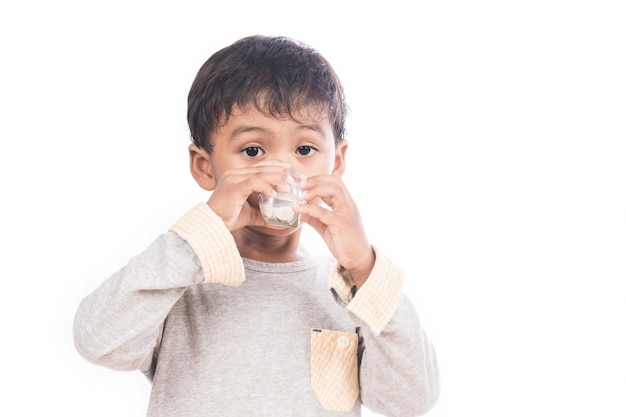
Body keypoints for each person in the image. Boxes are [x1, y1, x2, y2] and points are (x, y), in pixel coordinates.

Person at [73, 34, 439, 417]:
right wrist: (200, 236)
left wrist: (364, 268)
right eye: (253, 151)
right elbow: (98, 342)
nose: (282, 172)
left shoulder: (350, 291)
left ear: (337, 160)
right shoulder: (178, 279)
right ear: (204, 166)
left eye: (305, 149)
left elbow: (409, 402)